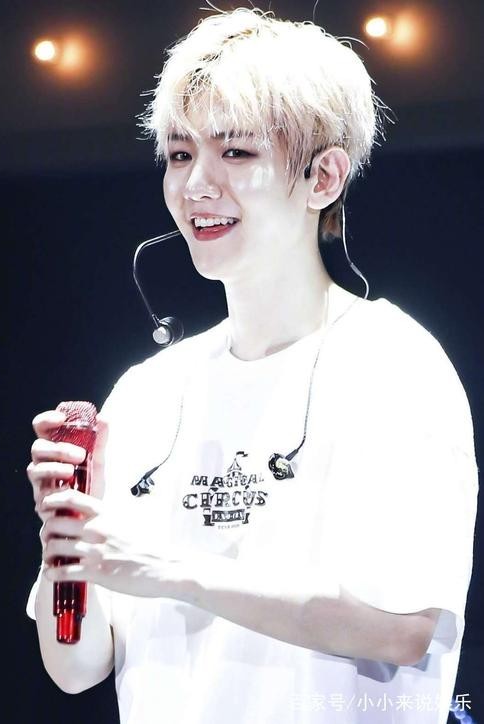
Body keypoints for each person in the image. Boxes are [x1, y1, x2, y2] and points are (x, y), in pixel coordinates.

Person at [26, 7, 478, 724]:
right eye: (180, 155)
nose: (196, 186)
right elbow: (76, 668)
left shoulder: (392, 362)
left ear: (324, 176)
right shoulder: (145, 393)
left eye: (235, 152)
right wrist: (68, 548)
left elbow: (401, 628)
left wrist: (161, 569)